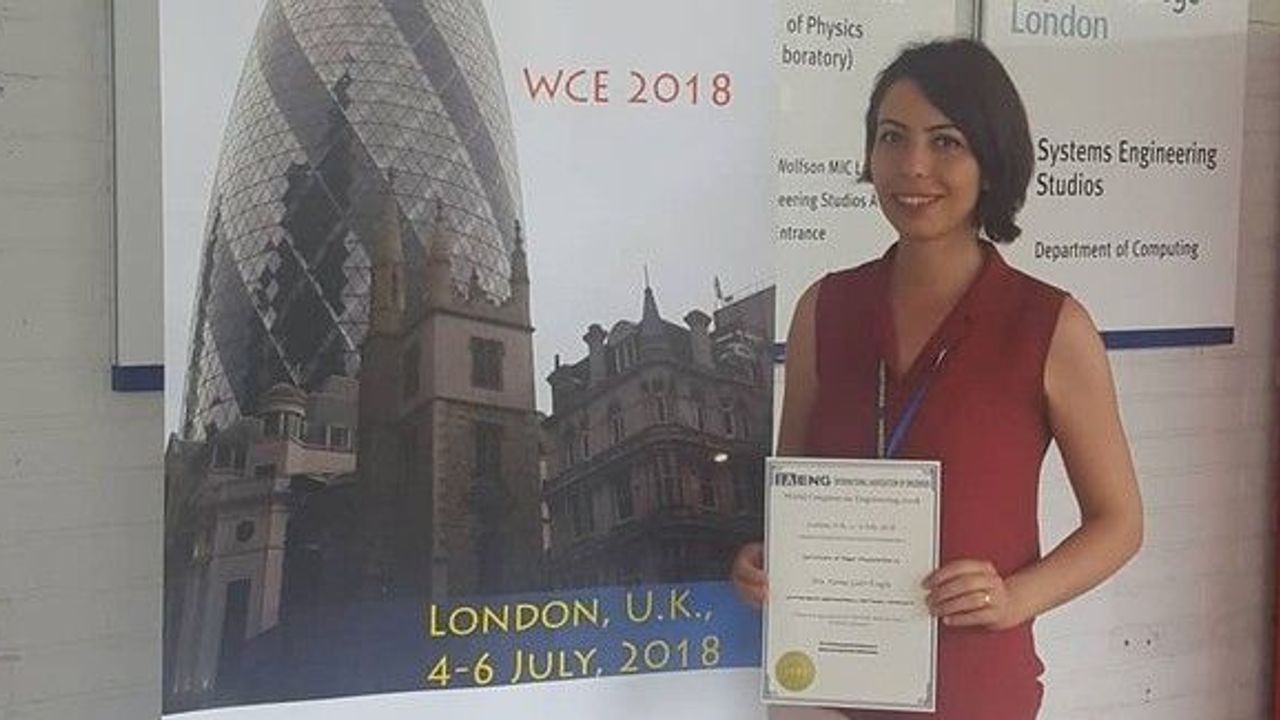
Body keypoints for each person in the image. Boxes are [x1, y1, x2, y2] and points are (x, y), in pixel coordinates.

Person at [732, 38, 1143, 719]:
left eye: (945, 141)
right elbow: (795, 490)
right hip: (824, 686)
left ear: (991, 160)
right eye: (892, 137)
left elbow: (1120, 523)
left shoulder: (1048, 324)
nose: (913, 165)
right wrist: (765, 560)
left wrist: (1017, 596)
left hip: (972, 693)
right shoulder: (824, 309)